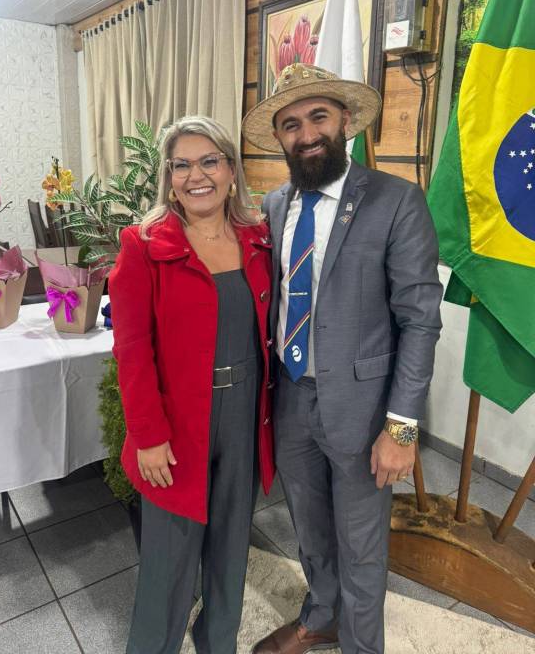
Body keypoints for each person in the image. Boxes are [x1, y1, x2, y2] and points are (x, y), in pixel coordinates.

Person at [241, 64, 443, 654]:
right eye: (291, 124)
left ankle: (362, 645)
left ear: (345, 121)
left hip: (363, 409)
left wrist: (402, 429)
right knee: (308, 527)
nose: (307, 134)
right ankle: (322, 616)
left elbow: (420, 321)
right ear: (278, 137)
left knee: (361, 543)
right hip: (291, 398)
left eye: (319, 117)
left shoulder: (395, 201)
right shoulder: (274, 205)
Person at [109, 115, 275, 654]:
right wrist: (147, 435)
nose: (196, 176)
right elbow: (132, 350)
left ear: (231, 169)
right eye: (181, 165)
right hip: (176, 423)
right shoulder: (143, 245)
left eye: (209, 161)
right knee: (169, 560)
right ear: (169, 176)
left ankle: (217, 643)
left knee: (231, 550)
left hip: (245, 412)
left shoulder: (257, 238)